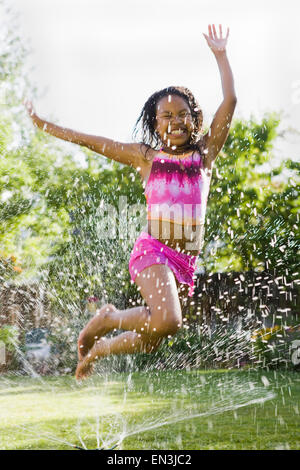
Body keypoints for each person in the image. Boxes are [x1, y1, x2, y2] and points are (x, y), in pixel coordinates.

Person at [25, 24, 237, 380]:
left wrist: (221, 56)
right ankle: (107, 321)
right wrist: (45, 125)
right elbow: (93, 141)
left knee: (154, 336)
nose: (176, 121)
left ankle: (102, 346)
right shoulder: (147, 157)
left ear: (195, 118)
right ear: (156, 126)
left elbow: (230, 101)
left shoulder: (205, 154)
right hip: (152, 251)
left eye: (182, 114)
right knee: (169, 320)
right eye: (166, 116)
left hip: (182, 261)